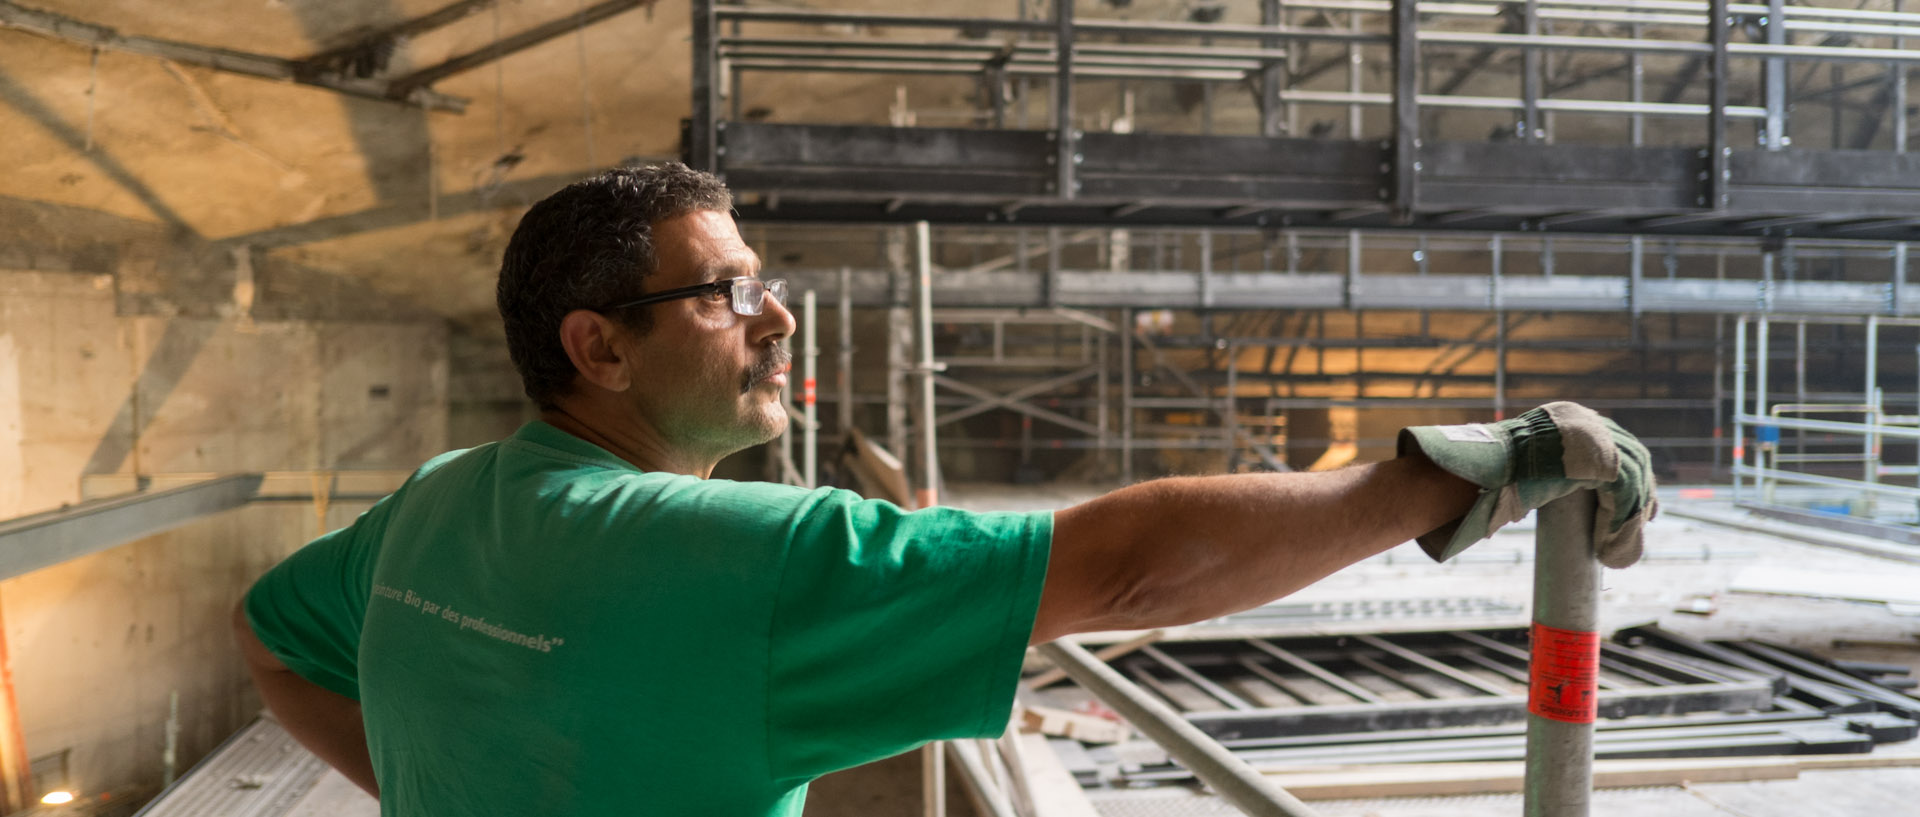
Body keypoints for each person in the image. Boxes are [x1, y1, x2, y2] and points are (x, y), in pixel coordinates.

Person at [234, 163, 1656, 816]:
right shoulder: (753, 561)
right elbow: (1133, 567)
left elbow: (271, 633)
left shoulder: (433, 502)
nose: (780, 318)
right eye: (731, 295)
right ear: (598, 346)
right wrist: (1461, 471)